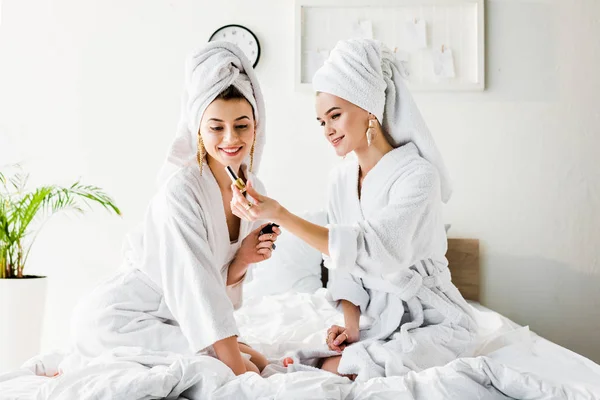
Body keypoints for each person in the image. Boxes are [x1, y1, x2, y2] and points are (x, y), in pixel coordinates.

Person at [230, 39, 477, 380]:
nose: (328, 130)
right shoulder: (341, 179)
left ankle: (296, 369)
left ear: (369, 109)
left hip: (433, 318)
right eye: (321, 121)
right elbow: (344, 269)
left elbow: (376, 250)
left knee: (353, 368)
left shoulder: (419, 176)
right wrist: (352, 328)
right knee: (329, 361)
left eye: (335, 115)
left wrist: (281, 214)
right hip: (376, 318)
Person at [66, 42, 278, 376]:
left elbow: (217, 284)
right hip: (120, 318)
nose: (230, 138)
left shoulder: (255, 192)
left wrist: (243, 260)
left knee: (259, 362)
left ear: (257, 126)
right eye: (216, 127)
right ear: (197, 129)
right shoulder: (182, 190)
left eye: (241, 125)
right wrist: (237, 367)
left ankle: (227, 351)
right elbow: (197, 285)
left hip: (180, 318)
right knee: (245, 366)